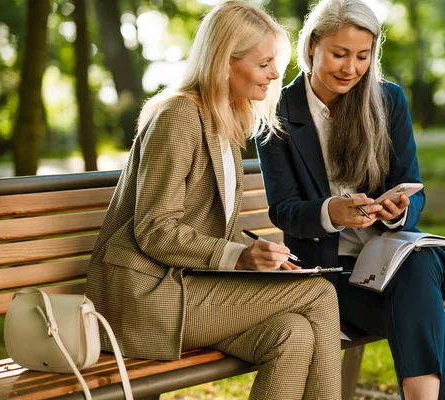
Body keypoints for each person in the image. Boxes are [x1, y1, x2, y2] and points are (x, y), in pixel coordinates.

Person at [85, 2, 342, 399]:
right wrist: (237, 257)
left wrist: (258, 252)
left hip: (189, 288)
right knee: (319, 293)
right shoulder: (179, 117)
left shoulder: (225, 119)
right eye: (264, 63)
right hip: (148, 297)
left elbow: (207, 223)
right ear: (225, 62)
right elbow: (154, 229)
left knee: (294, 331)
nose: (276, 74)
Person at [256, 0, 445, 398]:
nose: (351, 68)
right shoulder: (277, 109)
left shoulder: (387, 100)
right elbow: (283, 209)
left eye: (362, 56)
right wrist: (332, 213)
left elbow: (411, 186)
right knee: (418, 314)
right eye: (339, 54)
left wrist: (399, 211)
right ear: (312, 46)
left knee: (417, 266)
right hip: (330, 276)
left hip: (393, 263)